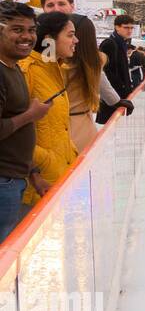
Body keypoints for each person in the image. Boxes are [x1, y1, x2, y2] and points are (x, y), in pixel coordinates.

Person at [0, 3, 51, 238]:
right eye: (17, 30)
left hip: (15, 179)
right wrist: (31, 115)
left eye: (31, 30)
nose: (27, 37)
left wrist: (34, 174)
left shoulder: (13, 67)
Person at [21, 12, 79, 208]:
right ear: (49, 41)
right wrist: (45, 161)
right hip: (35, 185)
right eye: (70, 35)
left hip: (57, 176)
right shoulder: (28, 70)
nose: (76, 40)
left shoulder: (53, 69)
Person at [66, 14, 128, 152]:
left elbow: (99, 76)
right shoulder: (55, 62)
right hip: (76, 128)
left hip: (76, 129)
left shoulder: (86, 64)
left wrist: (116, 100)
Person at [98, 14, 135, 120]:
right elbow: (106, 72)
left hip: (120, 95)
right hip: (112, 97)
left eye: (131, 28)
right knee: (109, 126)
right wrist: (121, 90)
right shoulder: (109, 44)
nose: (129, 30)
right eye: (126, 27)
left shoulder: (122, 43)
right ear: (117, 27)